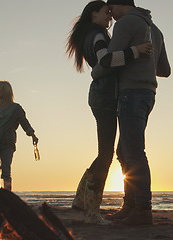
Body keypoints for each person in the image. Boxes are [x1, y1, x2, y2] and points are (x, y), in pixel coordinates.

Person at [66, 0, 152, 224]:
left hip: (101, 96)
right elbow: (106, 60)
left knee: (104, 153)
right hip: (105, 97)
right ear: (94, 14)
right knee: (105, 155)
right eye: (106, 12)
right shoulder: (97, 35)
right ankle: (92, 210)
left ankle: (81, 201)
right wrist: (136, 50)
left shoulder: (92, 34)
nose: (110, 17)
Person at [94, 0, 171, 225]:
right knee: (124, 151)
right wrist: (147, 62)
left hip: (131, 92)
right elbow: (165, 70)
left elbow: (110, 60)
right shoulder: (155, 30)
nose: (110, 13)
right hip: (148, 94)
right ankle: (129, 207)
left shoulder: (126, 23)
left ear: (120, 4)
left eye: (111, 8)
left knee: (135, 153)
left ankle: (142, 211)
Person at [0, 80, 38, 194]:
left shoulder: (16, 108)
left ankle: (7, 196)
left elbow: (24, 123)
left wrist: (32, 134)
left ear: (6, 90)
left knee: (6, 171)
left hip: (8, 143)